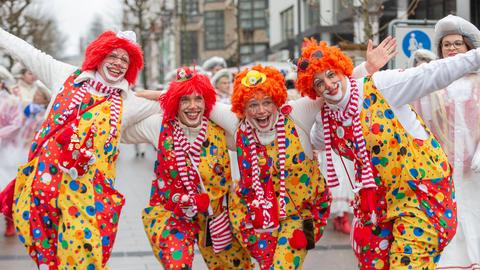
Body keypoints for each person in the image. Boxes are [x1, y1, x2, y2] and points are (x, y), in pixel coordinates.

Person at [299, 34, 480, 268]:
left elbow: (434, 73)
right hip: (376, 205)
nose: (329, 85)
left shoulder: (382, 85)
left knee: (407, 263)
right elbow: (313, 138)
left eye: (331, 74)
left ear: (342, 69)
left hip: (418, 192)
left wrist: (476, 56)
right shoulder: (326, 120)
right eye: (319, 83)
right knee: (372, 263)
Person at [0, 28, 159, 269]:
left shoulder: (130, 102)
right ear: (100, 55)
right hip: (44, 186)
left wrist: (159, 94)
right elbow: (25, 51)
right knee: (45, 253)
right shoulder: (64, 74)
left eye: (125, 59)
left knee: (84, 257)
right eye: (113, 56)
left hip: (89, 195)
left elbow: (176, 104)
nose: (118, 63)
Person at [122, 67, 252, 269]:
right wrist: (165, 100)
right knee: (177, 264)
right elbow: (120, 128)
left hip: (216, 214)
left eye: (198, 99)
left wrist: (166, 95)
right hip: (173, 212)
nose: (193, 106)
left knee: (234, 267)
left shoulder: (218, 128)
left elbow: (249, 126)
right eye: (184, 100)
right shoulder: (160, 125)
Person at [208, 65, 331, 270]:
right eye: (253, 105)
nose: (261, 110)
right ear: (242, 107)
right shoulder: (239, 125)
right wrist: (164, 94)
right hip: (256, 217)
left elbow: (332, 89)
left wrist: (368, 67)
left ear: (277, 100)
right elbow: (202, 100)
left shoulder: (296, 114)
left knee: (283, 266)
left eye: (267, 102)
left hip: (299, 216)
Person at [419, 15, 480, 270]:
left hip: (474, 175)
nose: (452, 49)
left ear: (468, 47)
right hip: (441, 172)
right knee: (446, 222)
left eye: (457, 43)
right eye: (446, 45)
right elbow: (417, 124)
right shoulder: (431, 83)